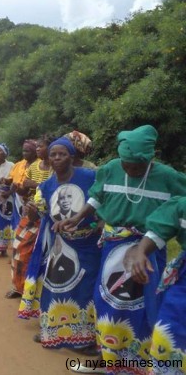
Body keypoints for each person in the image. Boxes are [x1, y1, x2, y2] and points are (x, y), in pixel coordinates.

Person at [57, 125, 186, 373]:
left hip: (147, 250)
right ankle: (107, 359)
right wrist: (77, 217)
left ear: (151, 158)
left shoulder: (169, 177)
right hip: (112, 247)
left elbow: (175, 212)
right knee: (107, 302)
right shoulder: (110, 169)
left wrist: (145, 246)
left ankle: (142, 364)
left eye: (136, 165)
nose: (129, 168)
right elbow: (97, 197)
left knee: (144, 306)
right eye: (126, 163)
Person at [17, 137, 101, 357]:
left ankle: (86, 339)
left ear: (71, 158)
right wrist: (34, 213)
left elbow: (103, 201)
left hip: (89, 243)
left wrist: (100, 223)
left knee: (85, 290)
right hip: (59, 244)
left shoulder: (89, 177)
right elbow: (43, 214)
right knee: (55, 287)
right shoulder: (45, 186)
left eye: (61, 154)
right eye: (53, 154)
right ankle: (54, 329)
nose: (56, 158)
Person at [124, 196, 186, 374]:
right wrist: (141, 251)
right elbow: (158, 230)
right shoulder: (182, 205)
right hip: (183, 286)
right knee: (166, 333)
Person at [8, 136, 53, 299]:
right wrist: (19, 189)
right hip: (31, 213)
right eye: (38, 147)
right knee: (19, 247)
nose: (39, 149)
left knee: (43, 254)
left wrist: (33, 185)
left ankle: (36, 292)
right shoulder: (34, 166)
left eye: (42, 147)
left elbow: (54, 188)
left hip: (49, 215)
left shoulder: (56, 168)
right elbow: (26, 191)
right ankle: (19, 286)